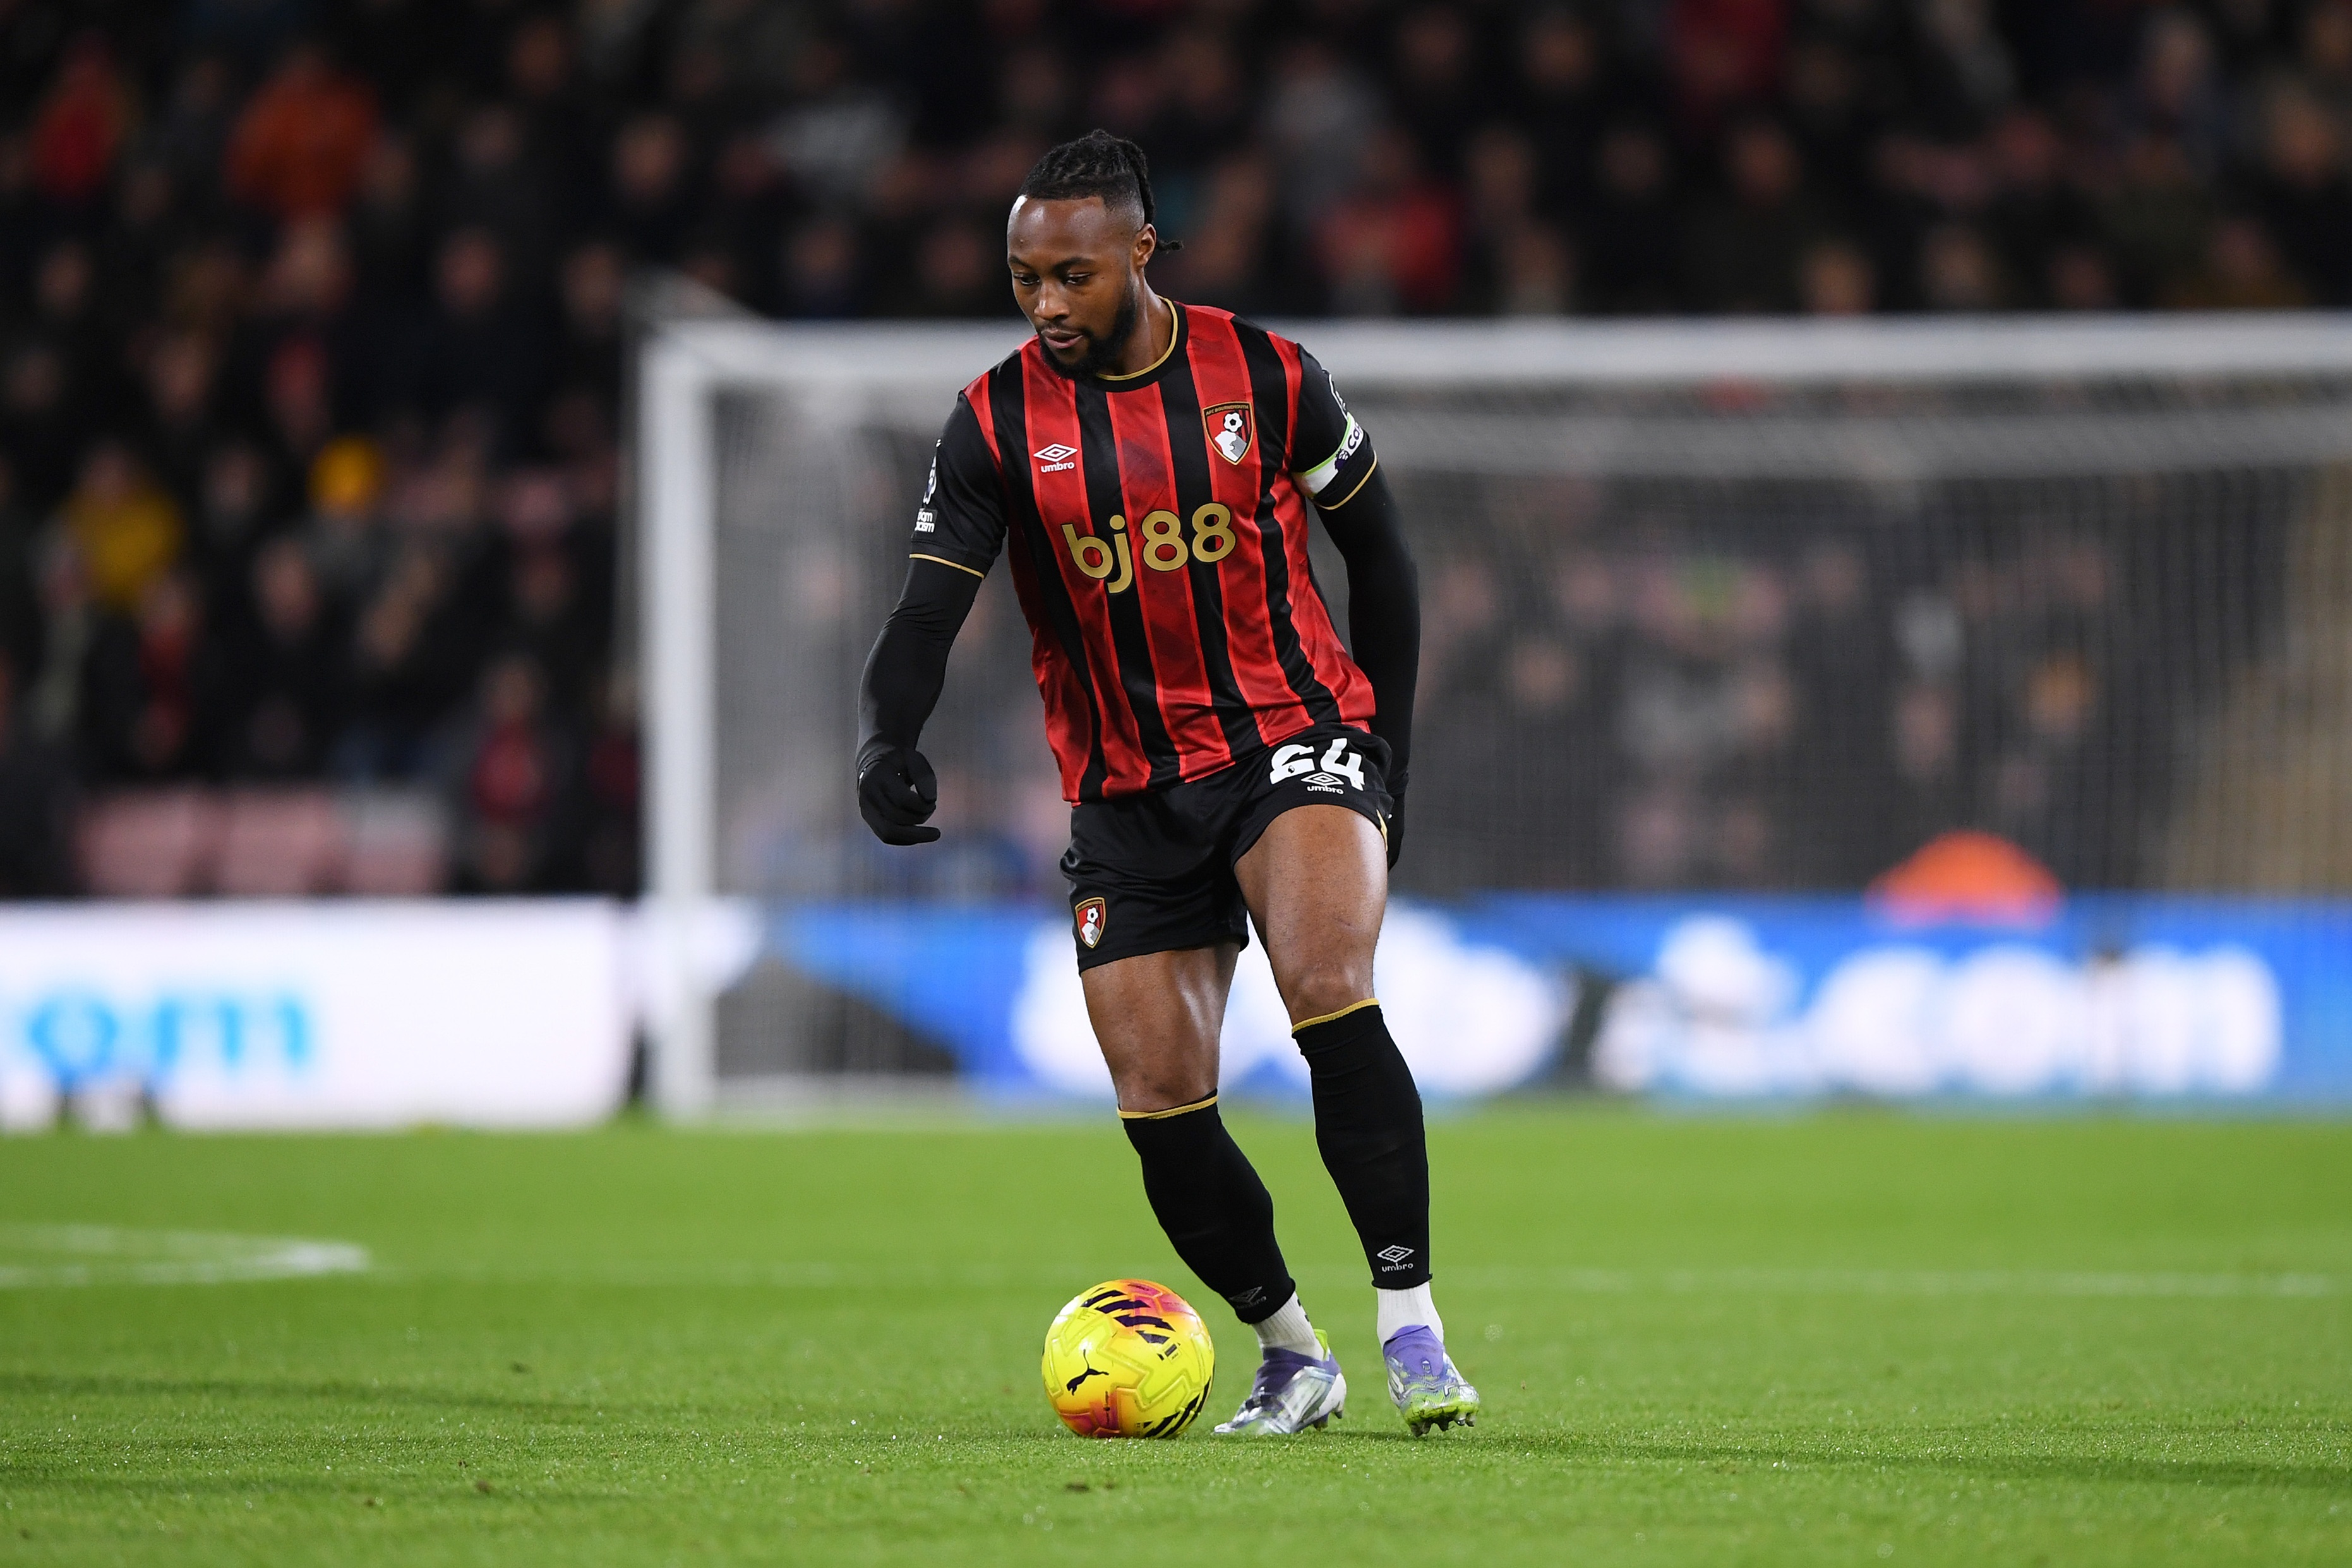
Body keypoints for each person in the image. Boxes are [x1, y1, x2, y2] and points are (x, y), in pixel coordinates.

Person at [854, 131, 1475, 1437]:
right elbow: (923, 614)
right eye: (1023, 277)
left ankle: (1411, 1325)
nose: (1044, 304)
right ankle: (1289, 1354)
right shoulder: (992, 421)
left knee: (1325, 990)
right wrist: (884, 739)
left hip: (1287, 738)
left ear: (1139, 250)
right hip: (1125, 791)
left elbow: (1386, 561)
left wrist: (1387, 761)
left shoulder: (1268, 375)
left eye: (1069, 275)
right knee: (1160, 1107)